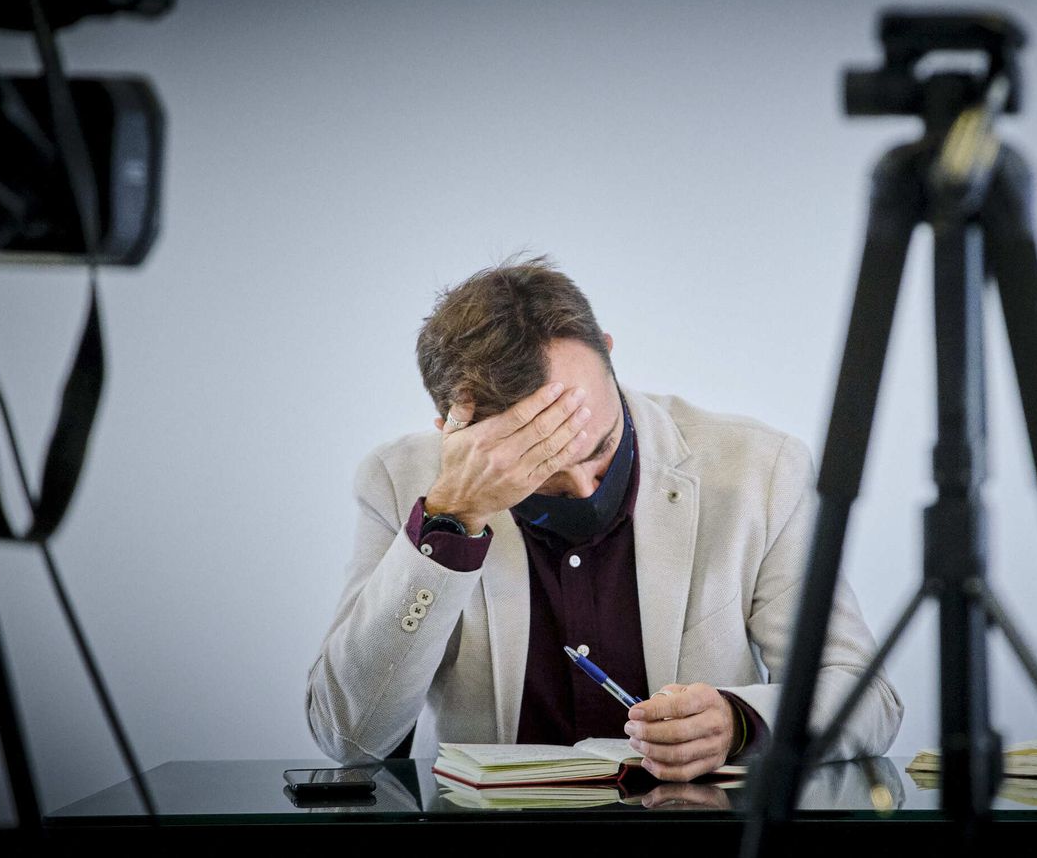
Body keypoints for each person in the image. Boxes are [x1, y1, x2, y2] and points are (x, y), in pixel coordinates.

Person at [306, 258, 902, 780]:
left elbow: (866, 695)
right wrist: (449, 520)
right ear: (453, 435)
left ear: (610, 357)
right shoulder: (401, 482)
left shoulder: (760, 471)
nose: (584, 487)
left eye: (598, 447)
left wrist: (742, 722)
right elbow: (350, 736)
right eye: (536, 464)